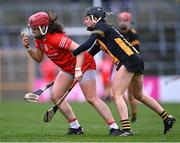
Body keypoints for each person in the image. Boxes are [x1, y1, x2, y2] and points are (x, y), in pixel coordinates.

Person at [73, 7, 176, 136]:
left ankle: (127, 129)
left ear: (95, 18)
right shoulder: (102, 33)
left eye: (87, 19)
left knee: (116, 94)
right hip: (136, 59)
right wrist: (77, 66)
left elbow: (87, 44)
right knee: (139, 95)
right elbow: (90, 53)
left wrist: (73, 52)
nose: (84, 22)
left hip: (128, 60)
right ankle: (167, 117)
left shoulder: (101, 27)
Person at [21, 11, 122, 136]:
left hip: (84, 63)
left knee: (91, 98)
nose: (33, 32)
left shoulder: (57, 38)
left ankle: (114, 127)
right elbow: (38, 58)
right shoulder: (39, 40)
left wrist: (78, 69)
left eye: (35, 29)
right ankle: (75, 127)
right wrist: (28, 48)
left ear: (43, 27)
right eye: (32, 29)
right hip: (68, 68)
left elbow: (79, 51)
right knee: (55, 96)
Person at [117, 12, 140, 122]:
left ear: (129, 21)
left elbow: (136, 51)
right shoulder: (116, 33)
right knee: (119, 92)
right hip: (120, 64)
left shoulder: (133, 34)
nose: (122, 22)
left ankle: (134, 115)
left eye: (124, 20)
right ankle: (126, 111)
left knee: (132, 95)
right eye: (120, 20)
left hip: (130, 65)